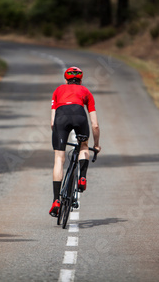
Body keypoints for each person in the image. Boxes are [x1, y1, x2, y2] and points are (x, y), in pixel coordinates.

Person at [49, 66, 101, 217]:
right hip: (80, 116)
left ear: (66, 79)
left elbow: (52, 122)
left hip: (61, 118)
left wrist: (59, 136)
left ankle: (56, 200)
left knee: (59, 158)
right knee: (83, 146)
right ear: (81, 80)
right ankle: (82, 177)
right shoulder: (86, 92)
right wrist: (96, 145)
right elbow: (95, 124)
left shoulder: (58, 90)